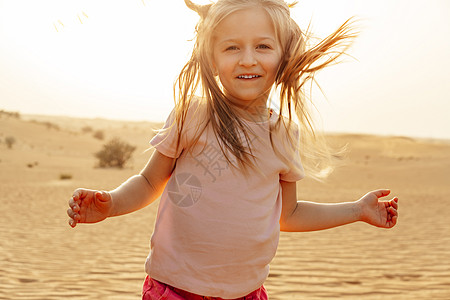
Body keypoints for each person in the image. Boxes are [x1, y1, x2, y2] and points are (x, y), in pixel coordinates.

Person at [67, 0, 399, 299]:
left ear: (285, 57)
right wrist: (111, 204)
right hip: (173, 289)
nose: (248, 59)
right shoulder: (193, 115)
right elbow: (150, 182)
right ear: (211, 58)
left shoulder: (283, 134)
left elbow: (289, 215)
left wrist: (356, 210)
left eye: (263, 46)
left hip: (246, 293)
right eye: (232, 47)